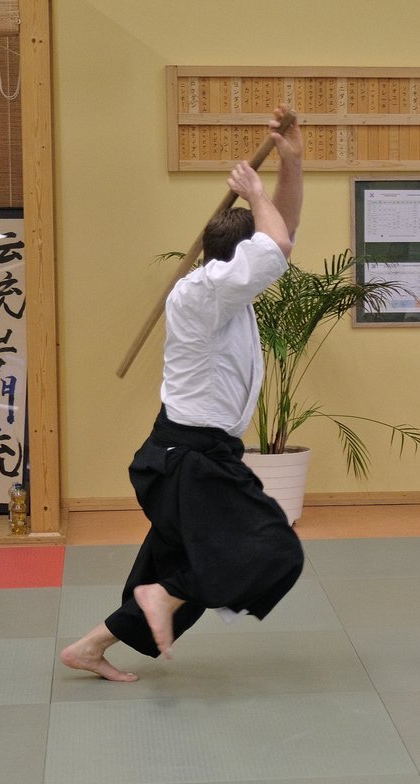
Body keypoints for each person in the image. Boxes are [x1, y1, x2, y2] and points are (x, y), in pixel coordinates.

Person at [60, 106, 305, 681]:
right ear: (238, 261)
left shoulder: (226, 293)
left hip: (196, 457)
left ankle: (90, 646)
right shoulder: (201, 294)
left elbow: (278, 237)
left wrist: (292, 163)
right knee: (272, 552)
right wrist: (253, 189)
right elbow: (275, 244)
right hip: (188, 461)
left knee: (188, 566)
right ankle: (162, 599)